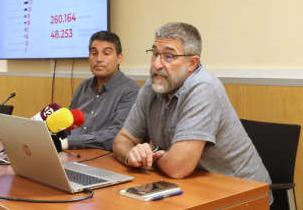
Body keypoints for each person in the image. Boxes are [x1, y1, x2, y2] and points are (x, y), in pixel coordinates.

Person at [112, 22, 272, 202]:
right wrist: (131, 155)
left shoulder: (203, 89)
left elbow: (177, 167)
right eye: (155, 54)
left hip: (243, 194)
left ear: (192, 63)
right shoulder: (152, 87)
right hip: (192, 188)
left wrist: (149, 156)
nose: (157, 64)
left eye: (169, 56)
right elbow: (122, 139)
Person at [62, 31, 141, 151]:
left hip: (105, 159)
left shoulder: (131, 91)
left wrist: (69, 142)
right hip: (72, 153)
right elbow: (68, 126)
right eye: (94, 53)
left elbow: (117, 136)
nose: (98, 59)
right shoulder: (83, 87)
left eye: (106, 53)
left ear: (119, 58)